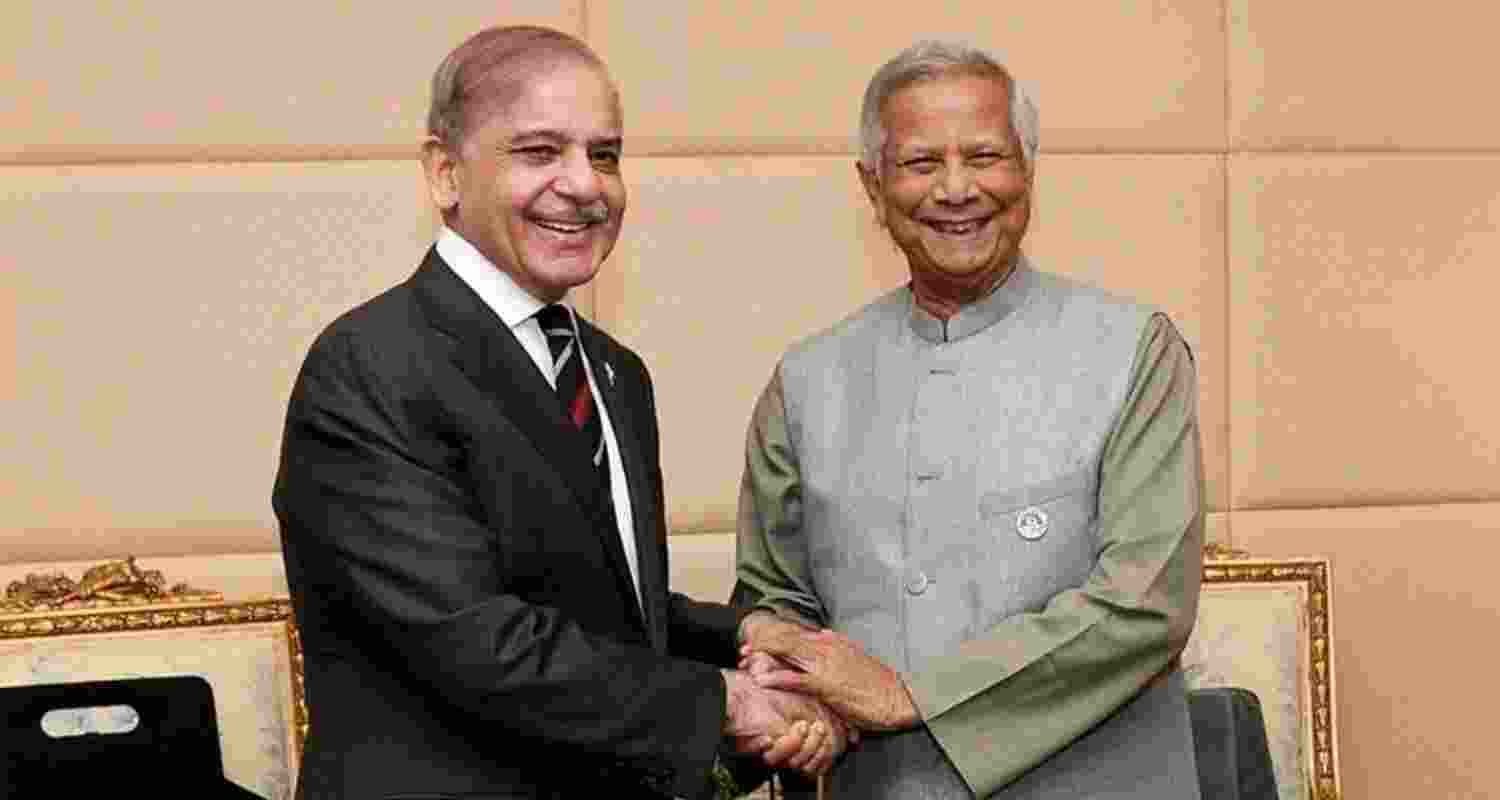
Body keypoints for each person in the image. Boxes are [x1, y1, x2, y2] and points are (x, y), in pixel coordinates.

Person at [273, 25, 844, 800]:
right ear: (444, 173)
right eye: (540, 152)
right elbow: (475, 638)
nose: (584, 185)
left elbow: (603, 606)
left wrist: (747, 636)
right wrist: (730, 702)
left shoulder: (613, 373)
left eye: (604, 155)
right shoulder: (370, 366)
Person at [734, 40, 1205, 799]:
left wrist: (910, 697)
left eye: (985, 156)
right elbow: (774, 600)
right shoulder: (806, 380)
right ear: (872, 185)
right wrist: (793, 688)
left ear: (1028, 170)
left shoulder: (1134, 350)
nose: (956, 189)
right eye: (921, 163)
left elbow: (1145, 602)